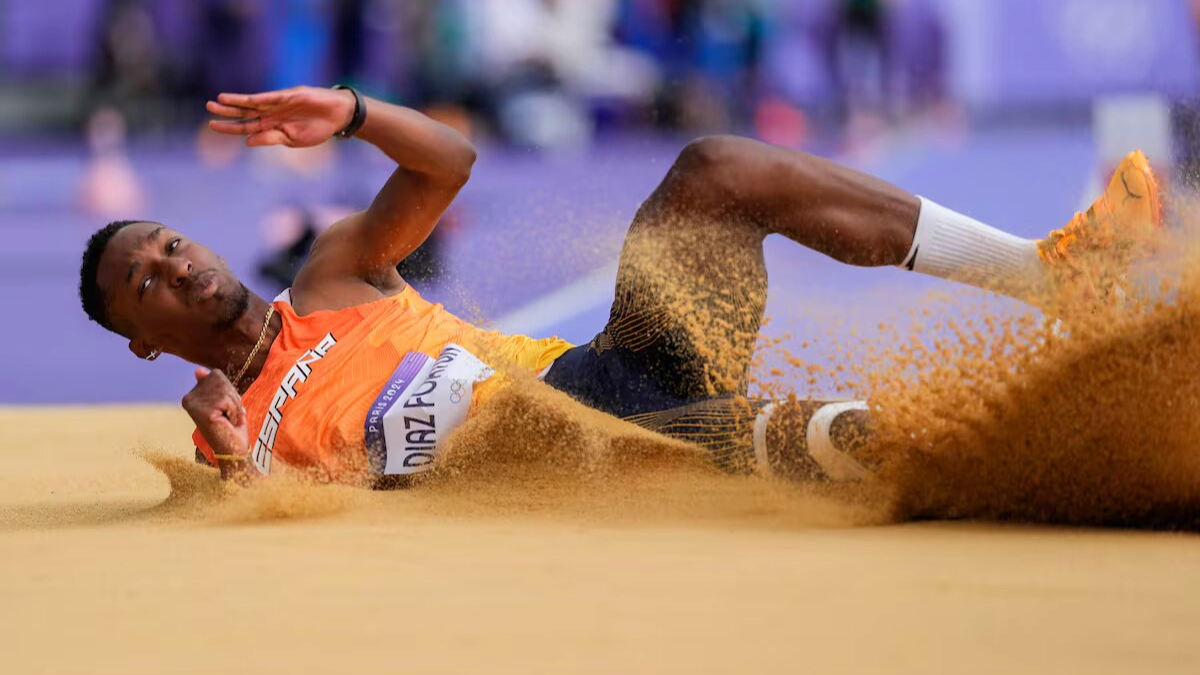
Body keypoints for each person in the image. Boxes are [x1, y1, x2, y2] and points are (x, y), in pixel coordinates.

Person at [77, 85, 1162, 485]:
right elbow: (258, 524)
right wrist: (229, 462)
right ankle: (1076, 467)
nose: (174, 265)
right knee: (849, 440)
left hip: (608, 372)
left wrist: (352, 113)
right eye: (146, 282)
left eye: (167, 244)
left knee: (717, 172)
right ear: (142, 338)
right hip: (575, 456)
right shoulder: (228, 423)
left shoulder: (332, 276)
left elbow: (446, 165)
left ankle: (1051, 278)